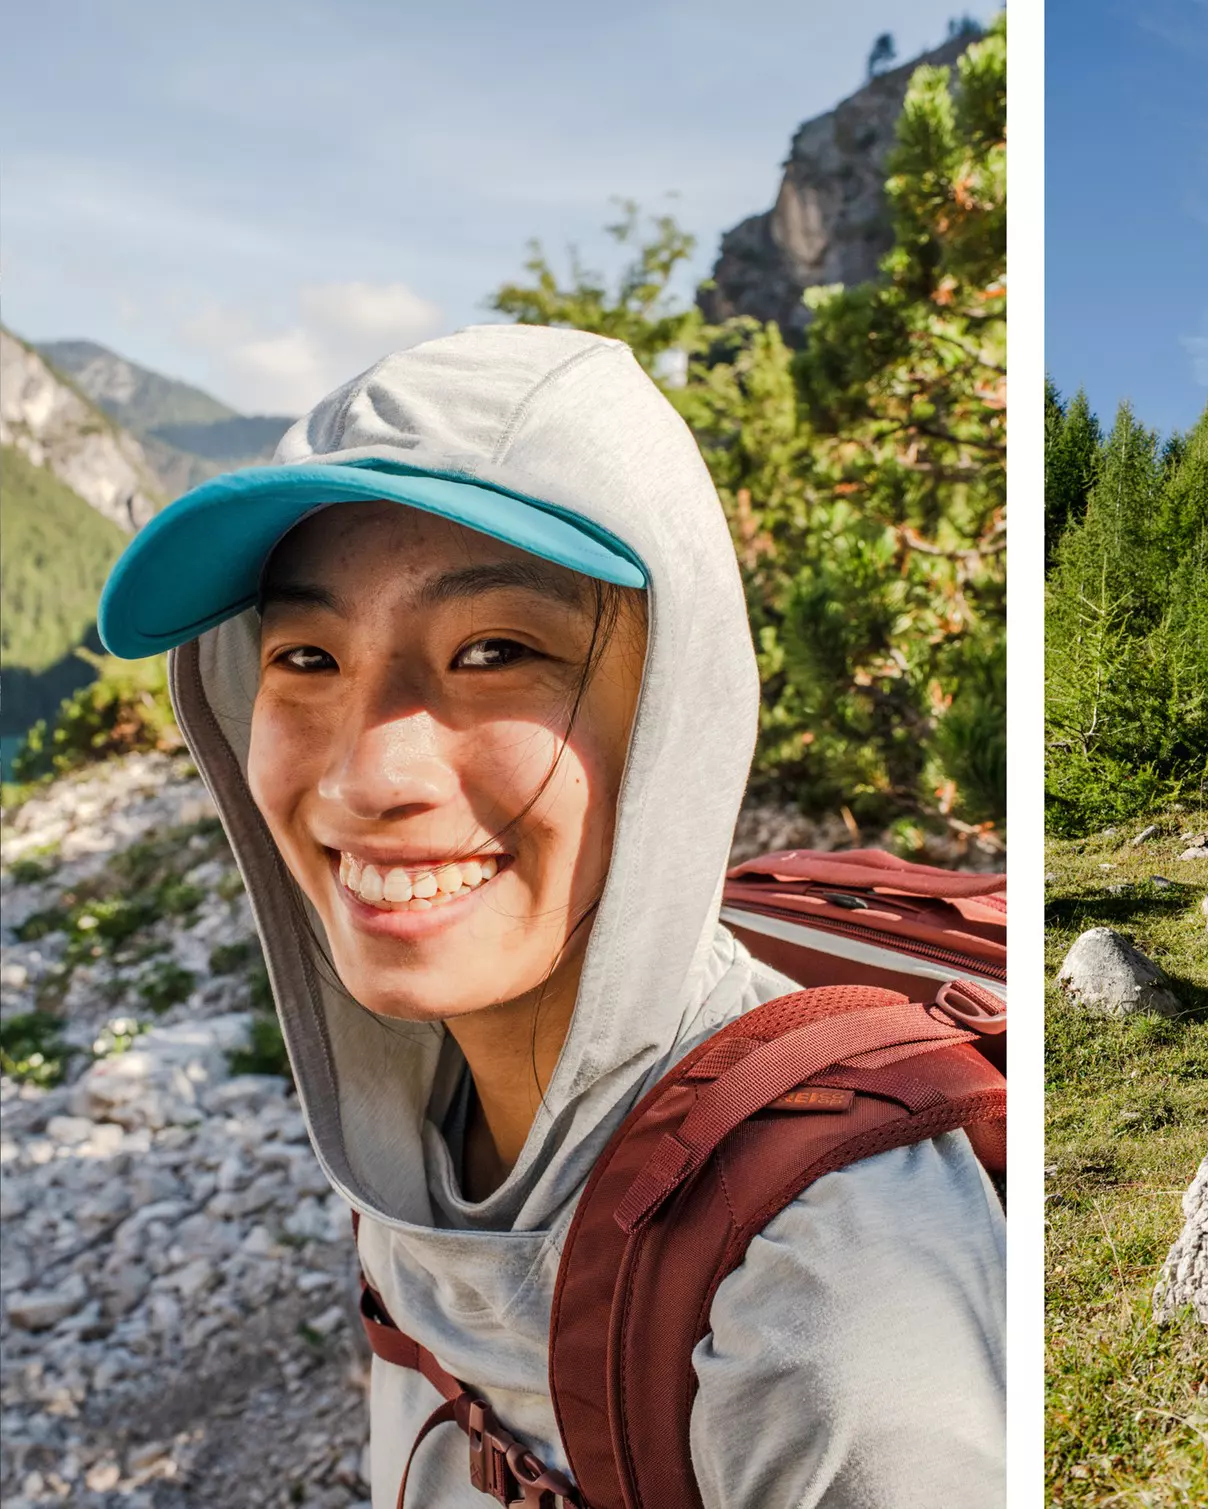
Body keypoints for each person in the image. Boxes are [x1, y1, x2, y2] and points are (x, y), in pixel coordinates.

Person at [96, 324, 1006, 1508]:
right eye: (307, 658)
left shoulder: (836, 1322)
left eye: (493, 650)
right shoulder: (418, 1121)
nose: (369, 778)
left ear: (673, 709)